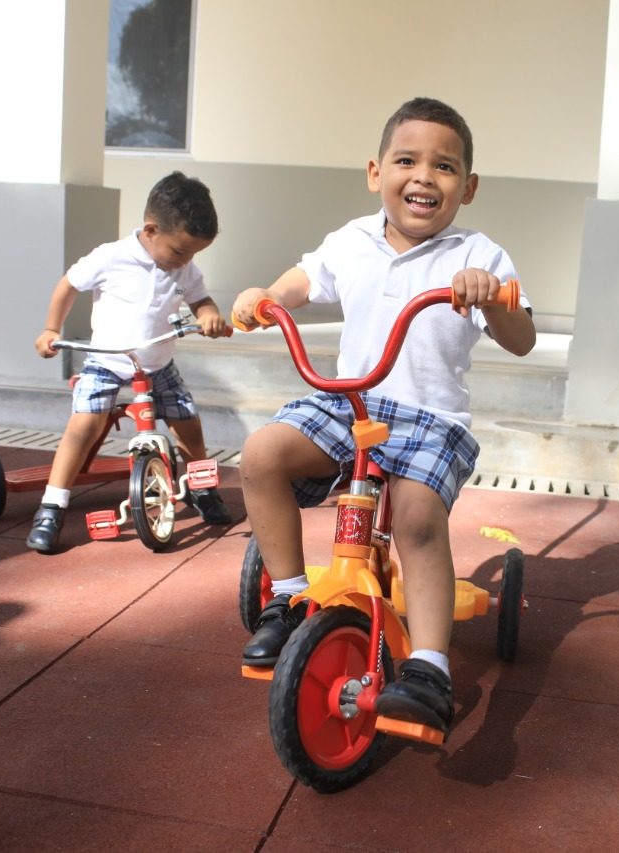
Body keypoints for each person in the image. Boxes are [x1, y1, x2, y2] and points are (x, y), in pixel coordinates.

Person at [231, 97, 537, 736]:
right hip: (349, 402)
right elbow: (300, 281)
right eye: (407, 160)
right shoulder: (352, 240)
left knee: (419, 519)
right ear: (376, 173)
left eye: (445, 167)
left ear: (468, 187)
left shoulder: (478, 255)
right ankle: (286, 600)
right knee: (261, 455)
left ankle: (428, 670)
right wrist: (266, 297)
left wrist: (491, 294)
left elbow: (522, 338)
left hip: (431, 419)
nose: (425, 176)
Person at [27, 171, 236, 554]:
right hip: (107, 361)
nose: (184, 261)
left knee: (186, 420)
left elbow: (200, 298)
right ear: (151, 229)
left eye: (192, 255)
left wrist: (208, 314)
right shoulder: (111, 257)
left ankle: (201, 488)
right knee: (83, 425)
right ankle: (52, 505)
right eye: (179, 251)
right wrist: (49, 328)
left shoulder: (184, 267)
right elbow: (68, 285)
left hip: (158, 363)